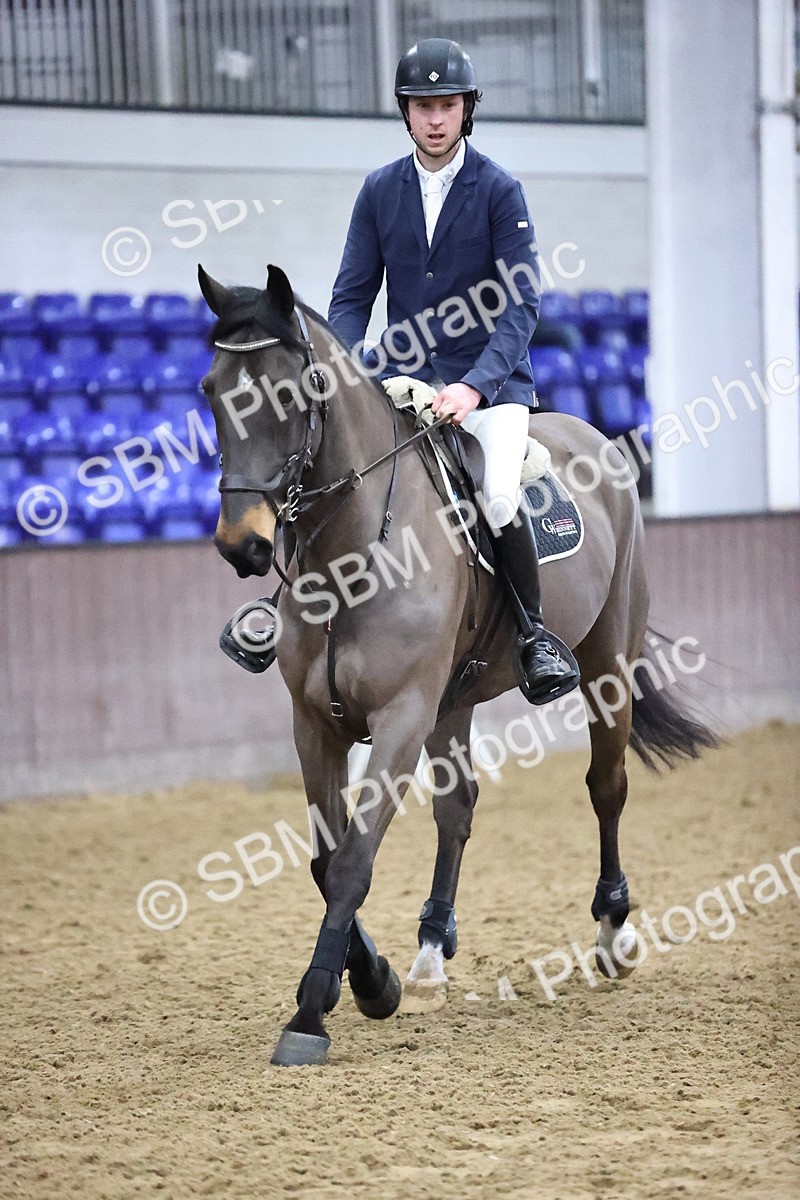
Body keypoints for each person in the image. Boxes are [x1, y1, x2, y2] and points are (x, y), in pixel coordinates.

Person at [327, 37, 579, 704]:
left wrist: (475, 386)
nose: (434, 118)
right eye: (421, 106)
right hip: (403, 381)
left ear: (467, 110)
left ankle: (533, 636)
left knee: (497, 494)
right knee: (341, 475)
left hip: (488, 388)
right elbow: (352, 297)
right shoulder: (380, 191)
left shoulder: (499, 190)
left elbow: (521, 301)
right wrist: (349, 370)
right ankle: (288, 614)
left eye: (446, 105)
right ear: (404, 113)